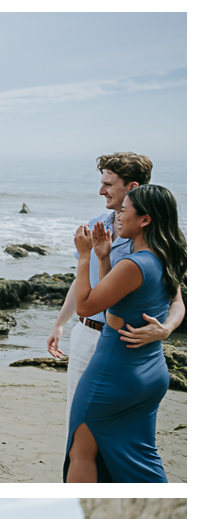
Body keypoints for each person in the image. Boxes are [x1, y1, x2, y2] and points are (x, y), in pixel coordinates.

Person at [47, 153, 184, 432]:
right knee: (77, 419)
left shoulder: (154, 239)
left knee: (117, 427)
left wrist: (166, 329)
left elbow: (176, 298)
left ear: (132, 187)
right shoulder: (98, 223)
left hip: (124, 344)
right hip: (87, 333)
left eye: (108, 184)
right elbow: (82, 281)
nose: (101, 191)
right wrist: (60, 323)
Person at [65, 184, 187, 482]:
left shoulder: (134, 263)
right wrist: (104, 257)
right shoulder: (165, 255)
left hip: (115, 370)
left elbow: (85, 307)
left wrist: (84, 257)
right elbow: (172, 303)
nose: (117, 216)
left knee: (81, 453)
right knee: (142, 455)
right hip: (150, 370)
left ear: (144, 220)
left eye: (123, 211)